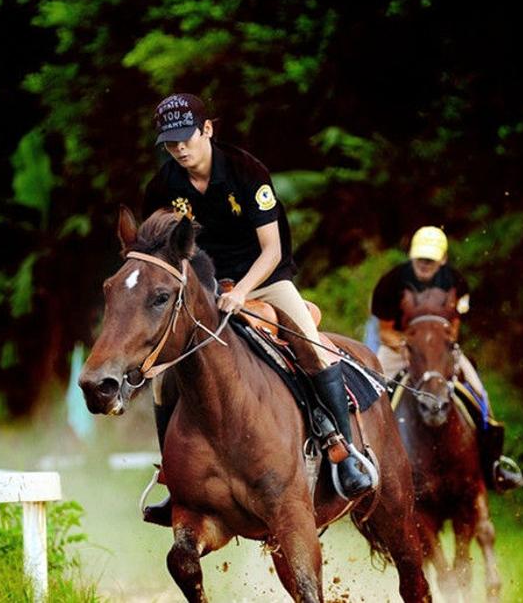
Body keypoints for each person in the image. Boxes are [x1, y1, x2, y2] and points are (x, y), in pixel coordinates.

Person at [142, 93, 372, 519]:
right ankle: (172, 478)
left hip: (264, 279)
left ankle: (346, 452)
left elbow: (272, 249)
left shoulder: (247, 172)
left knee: (313, 345)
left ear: (207, 129)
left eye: (186, 138)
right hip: (202, 290)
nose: (179, 149)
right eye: (170, 143)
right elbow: (160, 255)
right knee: (161, 377)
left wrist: (242, 291)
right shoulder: (162, 187)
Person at [371, 226, 523, 491]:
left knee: (479, 393)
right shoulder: (391, 282)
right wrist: (411, 347)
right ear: (411, 256)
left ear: (442, 259)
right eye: (420, 259)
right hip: (398, 349)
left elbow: (454, 326)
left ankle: (495, 464)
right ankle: (365, 467)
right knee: (369, 393)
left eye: (430, 260)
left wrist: (438, 348)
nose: (425, 264)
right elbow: (385, 331)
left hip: (440, 350)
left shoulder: (456, 281)